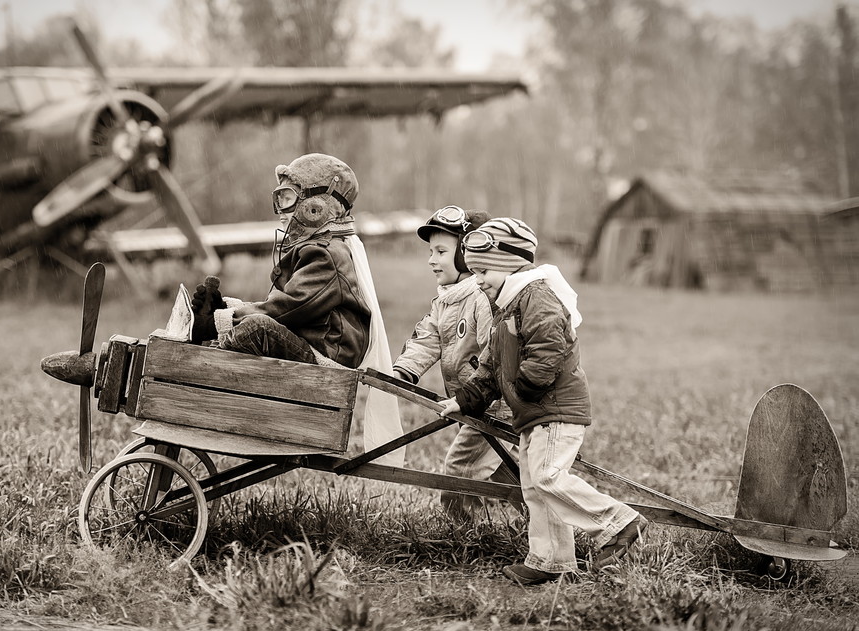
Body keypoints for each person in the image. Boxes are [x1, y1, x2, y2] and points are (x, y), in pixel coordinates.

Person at [439, 217, 646, 586]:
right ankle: (550, 560)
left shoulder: (536, 296)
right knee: (534, 487)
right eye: (474, 271)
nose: (478, 280)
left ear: (509, 263)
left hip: (555, 410)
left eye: (483, 271)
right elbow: (491, 366)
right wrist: (465, 399)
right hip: (534, 413)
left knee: (548, 477)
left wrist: (526, 387)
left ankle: (618, 523)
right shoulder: (507, 306)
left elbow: (549, 346)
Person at [192, 152, 404, 464]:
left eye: (288, 198)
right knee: (255, 325)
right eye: (278, 199)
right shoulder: (318, 247)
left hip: (327, 361)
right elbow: (282, 306)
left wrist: (223, 318)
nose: (281, 210)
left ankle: (198, 373)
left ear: (316, 207)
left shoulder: (327, 254)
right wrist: (229, 308)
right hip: (314, 346)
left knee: (258, 328)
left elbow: (289, 307)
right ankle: (206, 346)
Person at [393, 205, 523, 523]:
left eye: (441, 251)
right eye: (431, 252)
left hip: (493, 405)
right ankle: (549, 520)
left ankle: (463, 533)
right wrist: (403, 371)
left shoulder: (482, 298)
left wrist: (477, 396)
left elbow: (496, 354)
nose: (431, 260)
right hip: (473, 403)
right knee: (512, 474)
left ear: (467, 254)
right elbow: (426, 338)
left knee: (460, 469)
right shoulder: (446, 299)